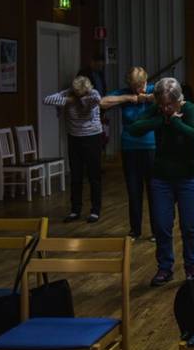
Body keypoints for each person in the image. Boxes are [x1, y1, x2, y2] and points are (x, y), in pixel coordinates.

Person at [126, 77, 194, 287]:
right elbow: (134, 128)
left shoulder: (189, 110)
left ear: (179, 100)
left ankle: (192, 266)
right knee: (161, 226)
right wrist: (163, 120)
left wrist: (176, 122)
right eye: (161, 104)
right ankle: (165, 267)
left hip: (190, 176)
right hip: (162, 178)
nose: (165, 108)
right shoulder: (159, 111)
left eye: (170, 104)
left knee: (189, 225)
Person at [101, 67, 156, 240]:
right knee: (133, 190)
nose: (138, 89)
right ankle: (135, 231)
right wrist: (129, 98)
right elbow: (102, 102)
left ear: (146, 81)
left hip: (150, 147)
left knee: (154, 190)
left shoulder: (153, 89)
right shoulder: (125, 93)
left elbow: (170, 96)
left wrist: (147, 97)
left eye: (141, 85)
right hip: (129, 148)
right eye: (135, 87)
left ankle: (156, 231)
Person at [44, 76, 103, 223]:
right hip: (74, 138)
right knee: (75, 175)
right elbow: (47, 99)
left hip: (92, 137)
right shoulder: (68, 93)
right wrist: (69, 100)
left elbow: (97, 100)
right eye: (77, 93)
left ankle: (95, 210)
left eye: (82, 93)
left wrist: (80, 99)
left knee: (94, 175)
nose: (79, 96)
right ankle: (75, 210)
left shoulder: (93, 93)